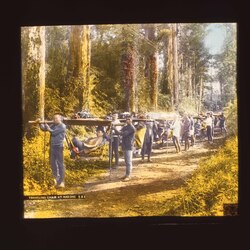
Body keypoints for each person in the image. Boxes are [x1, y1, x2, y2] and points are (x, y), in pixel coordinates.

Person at [38, 114, 66, 188]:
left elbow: (53, 133)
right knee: (53, 163)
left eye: (56, 118)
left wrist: (47, 127)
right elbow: (44, 129)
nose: (55, 120)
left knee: (60, 164)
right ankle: (56, 180)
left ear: (60, 119)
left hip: (59, 147)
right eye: (54, 118)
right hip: (52, 147)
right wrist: (40, 123)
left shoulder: (62, 126)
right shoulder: (53, 125)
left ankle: (62, 181)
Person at [114, 117, 136, 181]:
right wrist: (114, 129)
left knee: (129, 161)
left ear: (131, 120)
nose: (128, 120)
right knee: (126, 161)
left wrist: (114, 128)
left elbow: (123, 134)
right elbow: (119, 132)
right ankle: (126, 174)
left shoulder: (132, 128)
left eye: (129, 119)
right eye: (127, 119)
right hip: (124, 145)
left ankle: (128, 175)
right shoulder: (125, 127)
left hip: (129, 146)